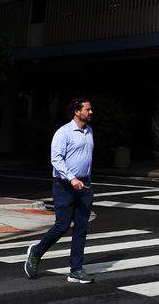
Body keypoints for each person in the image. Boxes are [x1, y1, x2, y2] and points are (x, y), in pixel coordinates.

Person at [24, 98, 95, 284]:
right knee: (62, 226)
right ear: (76, 112)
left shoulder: (89, 131)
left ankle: (76, 269)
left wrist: (83, 179)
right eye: (87, 109)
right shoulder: (63, 133)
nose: (90, 112)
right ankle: (36, 252)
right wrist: (71, 178)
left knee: (81, 228)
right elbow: (56, 160)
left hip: (84, 186)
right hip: (64, 186)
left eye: (90, 109)